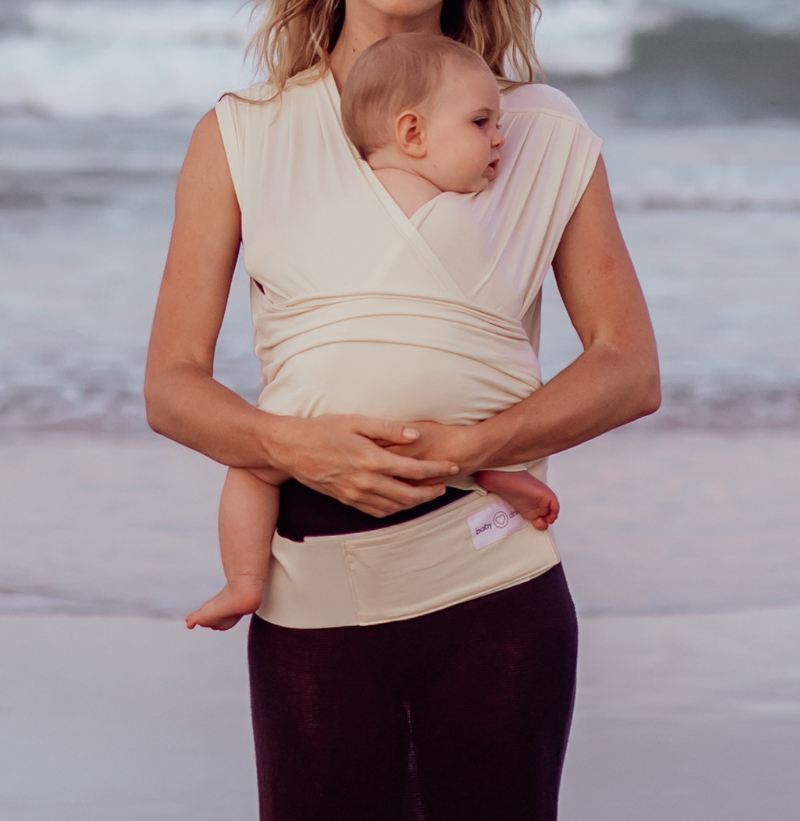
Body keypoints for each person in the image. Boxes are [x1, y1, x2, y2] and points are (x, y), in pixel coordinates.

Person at [145, 0, 660, 821]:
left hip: (491, 587)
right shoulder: (241, 134)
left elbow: (626, 367)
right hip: (311, 597)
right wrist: (294, 449)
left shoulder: (536, 132)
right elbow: (171, 387)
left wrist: (478, 442)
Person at [185, 33, 560, 632]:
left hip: (360, 409)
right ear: (412, 134)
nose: (500, 140)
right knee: (264, 456)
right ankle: (247, 579)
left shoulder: (428, 204)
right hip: (400, 420)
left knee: (255, 470)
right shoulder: (456, 209)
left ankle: (244, 580)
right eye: (482, 122)